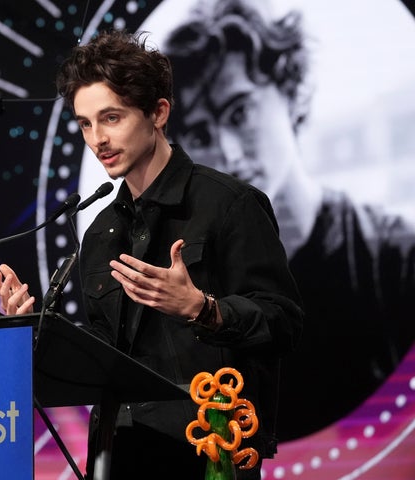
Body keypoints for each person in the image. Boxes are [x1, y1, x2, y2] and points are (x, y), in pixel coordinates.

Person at [0, 29, 303, 479]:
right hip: (117, 449)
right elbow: (106, 352)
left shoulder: (228, 203)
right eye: (84, 123)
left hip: (208, 445)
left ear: (158, 112)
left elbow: (284, 323)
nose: (97, 138)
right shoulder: (100, 231)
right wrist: (36, 329)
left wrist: (202, 308)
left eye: (111, 118)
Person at [164, 0, 415, 440]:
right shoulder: (190, 276)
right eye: (202, 134)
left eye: (239, 113)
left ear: (290, 91)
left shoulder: (395, 257)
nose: (229, 154)